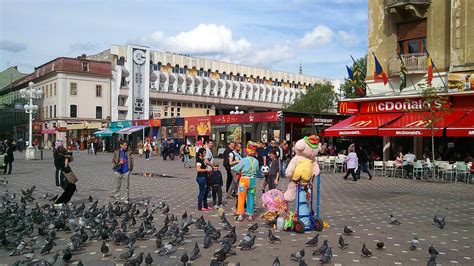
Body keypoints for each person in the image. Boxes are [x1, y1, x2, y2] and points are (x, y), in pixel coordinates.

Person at [232, 141, 259, 221]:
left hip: (244, 180)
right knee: (251, 197)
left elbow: (237, 168)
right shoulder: (256, 161)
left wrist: (234, 168)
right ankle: (250, 215)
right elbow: (257, 171)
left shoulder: (243, 160)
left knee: (241, 197)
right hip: (252, 181)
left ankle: (240, 215)